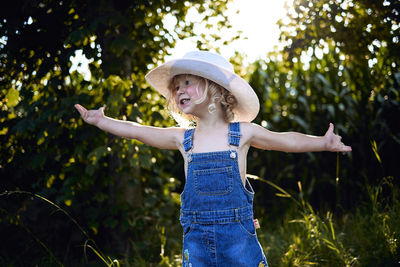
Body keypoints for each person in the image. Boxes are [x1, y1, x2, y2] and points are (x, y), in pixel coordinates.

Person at [74, 51, 351, 267]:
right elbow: (138, 132)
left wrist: (322, 142)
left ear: (216, 89)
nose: (179, 90)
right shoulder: (183, 139)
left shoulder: (242, 133)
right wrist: (103, 121)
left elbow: (287, 140)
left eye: (187, 83)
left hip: (239, 244)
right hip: (197, 248)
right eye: (176, 87)